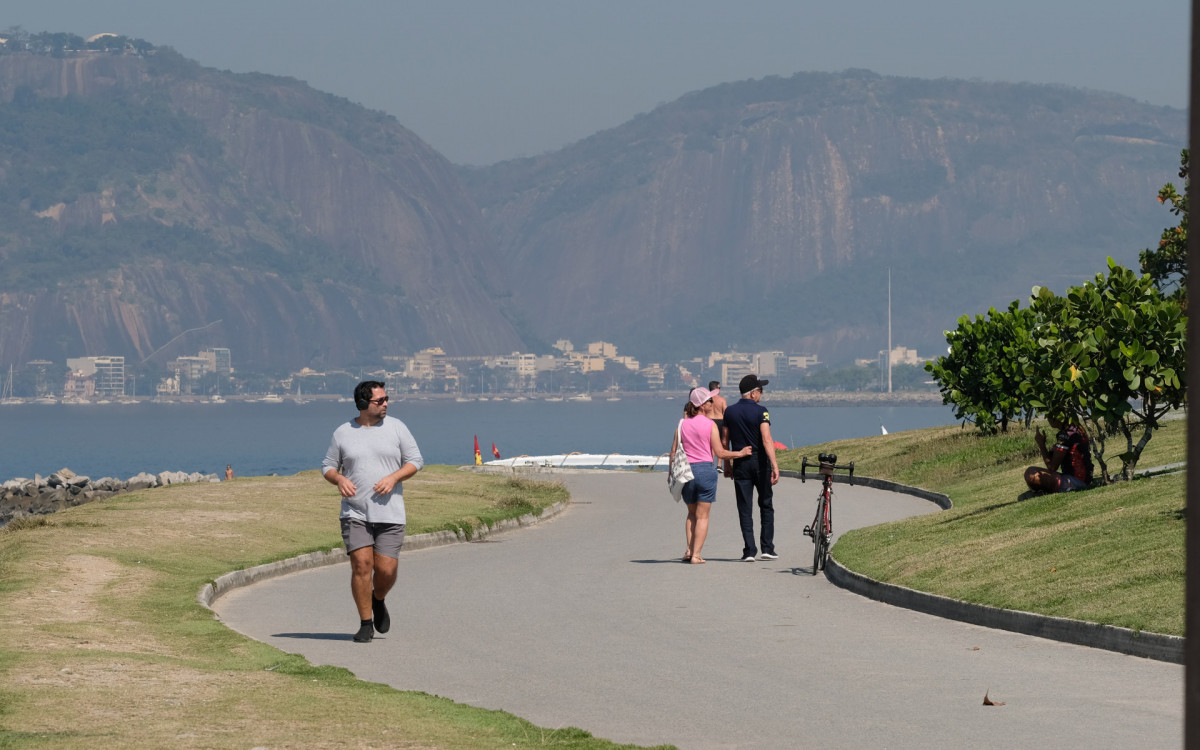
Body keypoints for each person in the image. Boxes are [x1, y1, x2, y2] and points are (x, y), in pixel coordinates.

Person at [322, 380, 424, 643]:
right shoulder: (342, 432)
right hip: (355, 513)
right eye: (380, 401)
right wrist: (339, 480)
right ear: (363, 404)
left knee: (386, 571)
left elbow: (415, 461)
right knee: (361, 565)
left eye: (386, 399)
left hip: (390, 514)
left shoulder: (397, 427)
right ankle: (365, 623)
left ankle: (378, 599)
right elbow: (328, 467)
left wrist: (393, 478)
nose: (385, 404)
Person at [670, 387, 752, 564]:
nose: (711, 403)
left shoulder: (682, 424)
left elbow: (674, 451)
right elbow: (720, 453)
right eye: (708, 401)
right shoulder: (710, 425)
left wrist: (671, 473)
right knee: (703, 516)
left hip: (686, 472)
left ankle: (689, 550)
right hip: (705, 471)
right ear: (701, 405)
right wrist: (741, 453)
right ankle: (696, 555)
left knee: (691, 514)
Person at [721, 374, 780, 562]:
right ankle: (767, 548)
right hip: (760, 462)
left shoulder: (729, 412)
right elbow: (766, 439)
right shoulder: (762, 411)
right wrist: (775, 465)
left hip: (740, 462)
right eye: (760, 391)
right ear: (753, 393)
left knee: (744, 507)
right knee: (766, 504)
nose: (761, 394)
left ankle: (749, 550)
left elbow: (725, 440)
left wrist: (727, 463)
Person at [1024, 413, 1093, 493]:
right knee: (1032, 473)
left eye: (1049, 417)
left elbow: (1052, 467)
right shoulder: (1075, 427)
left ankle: (1042, 492)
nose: (1048, 420)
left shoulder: (1064, 435)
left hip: (1076, 481)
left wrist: (1041, 445)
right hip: (1084, 477)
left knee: (1031, 474)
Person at [708, 380, 727, 467]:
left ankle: (711, 463)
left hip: (709, 421)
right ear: (716, 388)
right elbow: (726, 412)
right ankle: (719, 465)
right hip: (720, 421)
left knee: (710, 443)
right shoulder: (722, 400)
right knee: (720, 443)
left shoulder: (707, 399)